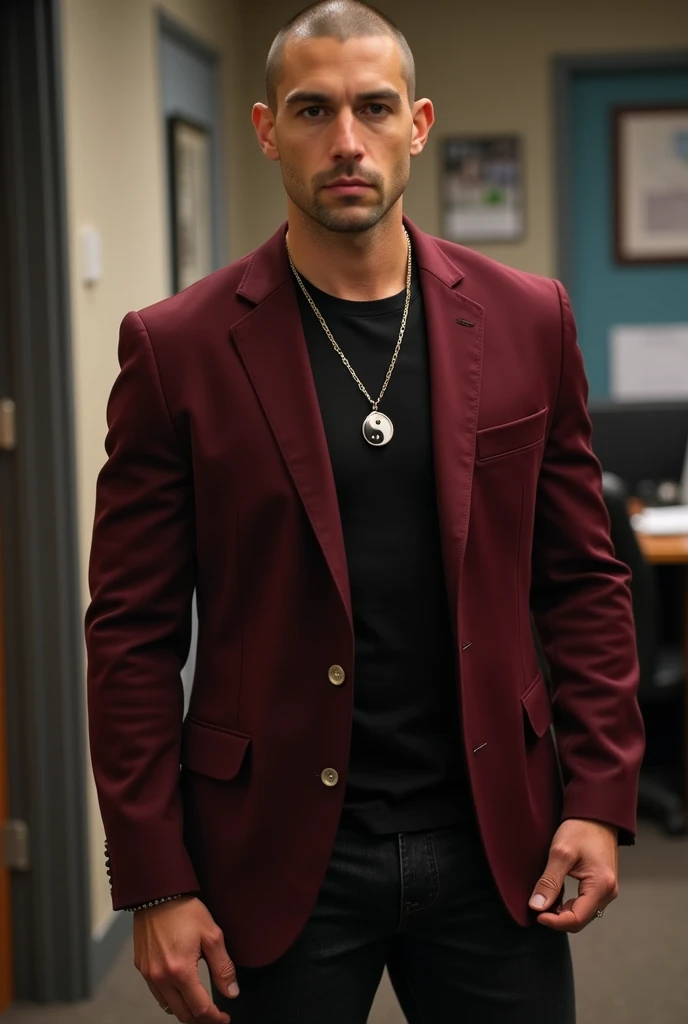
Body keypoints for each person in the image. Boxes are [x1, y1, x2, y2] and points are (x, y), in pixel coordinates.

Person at [85, 2, 645, 1022]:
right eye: (312, 110)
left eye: (374, 108)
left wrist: (602, 795)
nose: (346, 141)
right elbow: (130, 633)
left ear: (417, 124)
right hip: (275, 848)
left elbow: (583, 581)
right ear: (266, 131)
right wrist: (154, 876)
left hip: (494, 841)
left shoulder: (529, 318)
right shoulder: (178, 349)